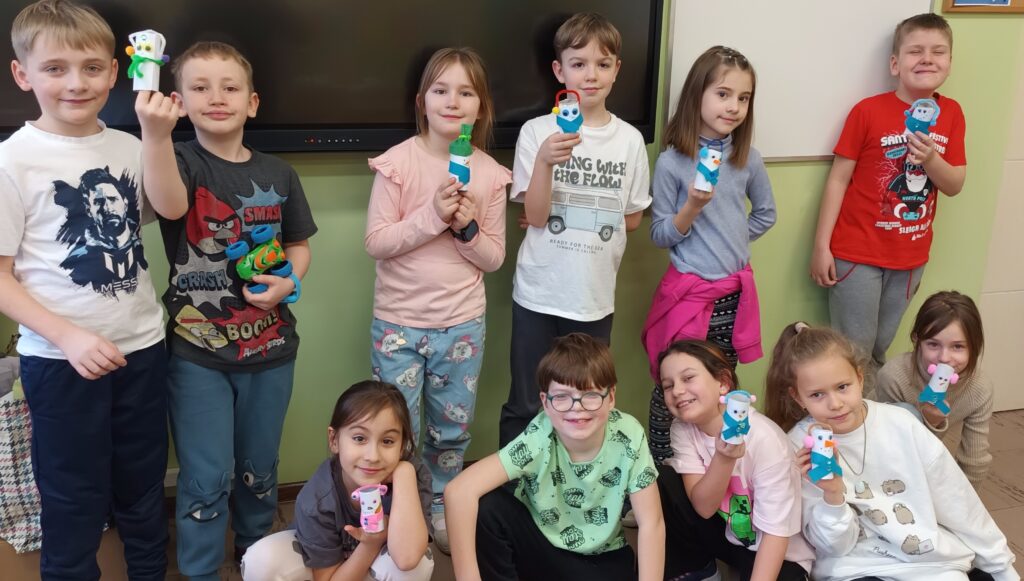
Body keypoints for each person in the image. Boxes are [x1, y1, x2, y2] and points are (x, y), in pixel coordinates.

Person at [0, 1, 171, 578]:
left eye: (92, 67)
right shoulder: (12, 162)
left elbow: (166, 210)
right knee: (73, 499)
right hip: (59, 363)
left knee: (143, 490)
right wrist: (69, 337)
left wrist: (156, 136)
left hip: (142, 349)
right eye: (55, 68)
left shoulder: (129, 147)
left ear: (116, 72)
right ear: (22, 74)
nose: (76, 83)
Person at [135, 40, 317, 578]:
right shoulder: (178, 160)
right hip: (198, 355)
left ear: (252, 102)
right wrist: (155, 135)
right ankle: (200, 569)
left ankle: (258, 557)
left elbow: (299, 246)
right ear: (179, 101)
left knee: (259, 468)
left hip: (272, 349)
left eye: (230, 87)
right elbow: (169, 205)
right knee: (205, 475)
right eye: (200, 87)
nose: (216, 97)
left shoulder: (280, 173)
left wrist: (288, 282)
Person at [364, 47, 510, 552]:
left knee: (451, 431)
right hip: (398, 325)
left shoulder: (489, 173)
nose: (452, 101)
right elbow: (376, 242)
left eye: (466, 92)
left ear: (481, 106)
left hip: (461, 327)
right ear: (421, 101)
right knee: (395, 430)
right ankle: (398, 512)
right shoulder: (398, 164)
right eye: (441, 90)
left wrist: (466, 228)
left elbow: (494, 258)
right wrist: (431, 216)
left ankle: (442, 506)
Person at [499, 12, 652, 447]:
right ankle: (516, 485)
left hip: (593, 299)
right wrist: (545, 162)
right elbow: (537, 216)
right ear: (559, 70)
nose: (591, 75)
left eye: (603, 64)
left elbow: (632, 217)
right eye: (579, 64)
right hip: (538, 294)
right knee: (527, 400)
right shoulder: (537, 132)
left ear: (617, 70)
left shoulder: (629, 140)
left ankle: (577, 480)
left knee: (585, 401)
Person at [764, 323, 1017, 581]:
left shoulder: (901, 424)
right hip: (855, 571)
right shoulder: (796, 447)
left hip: (930, 567)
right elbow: (835, 547)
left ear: (860, 378)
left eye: (842, 387)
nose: (835, 404)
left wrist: (1003, 569)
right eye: (817, 394)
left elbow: (958, 501)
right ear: (798, 398)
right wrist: (833, 494)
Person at [809, 13, 967, 388]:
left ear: (949, 62)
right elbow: (838, 180)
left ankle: (870, 415)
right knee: (854, 353)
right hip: (857, 254)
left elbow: (955, 184)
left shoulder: (952, 114)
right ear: (895, 64)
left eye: (938, 52)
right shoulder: (868, 111)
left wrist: (931, 159)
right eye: (915, 51)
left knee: (880, 348)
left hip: (910, 258)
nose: (927, 59)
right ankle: (852, 417)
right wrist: (821, 246)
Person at [642, 45, 776, 464]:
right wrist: (693, 208)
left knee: (720, 385)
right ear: (696, 95)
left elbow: (766, 214)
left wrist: (730, 239)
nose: (734, 106)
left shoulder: (748, 160)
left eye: (743, 98)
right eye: (723, 94)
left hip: (732, 300)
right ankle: (662, 470)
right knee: (674, 388)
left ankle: (715, 466)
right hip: (687, 297)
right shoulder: (672, 163)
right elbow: (660, 234)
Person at [445, 333, 664, 581]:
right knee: (488, 508)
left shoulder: (629, 434)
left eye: (590, 395)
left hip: (601, 560)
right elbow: (458, 492)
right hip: (543, 550)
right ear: (546, 403)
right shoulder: (538, 437)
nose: (576, 408)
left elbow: (652, 523)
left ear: (611, 397)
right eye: (561, 396)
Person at [240, 381, 434, 581]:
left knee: (416, 566)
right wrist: (371, 543)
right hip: (325, 569)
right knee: (261, 560)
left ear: (402, 446)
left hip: (379, 567)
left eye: (387, 441)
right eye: (359, 438)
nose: (373, 456)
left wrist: (404, 473)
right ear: (334, 440)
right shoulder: (316, 499)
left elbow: (407, 558)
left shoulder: (413, 474)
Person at [657, 340, 813, 581]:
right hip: (731, 535)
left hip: (779, 550)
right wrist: (723, 457)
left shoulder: (765, 439)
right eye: (668, 385)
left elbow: (776, 533)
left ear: (723, 383)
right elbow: (704, 508)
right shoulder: (683, 428)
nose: (677, 391)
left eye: (688, 378)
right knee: (664, 480)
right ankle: (700, 570)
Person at [875, 291, 993, 487]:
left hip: (924, 455)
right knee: (907, 411)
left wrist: (965, 501)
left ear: (974, 346)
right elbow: (891, 449)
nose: (944, 358)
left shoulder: (980, 388)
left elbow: (975, 460)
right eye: (933, 344)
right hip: (883, 452)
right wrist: (930, 420)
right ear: (917, 341)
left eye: (957, 347)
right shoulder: (893, 376)